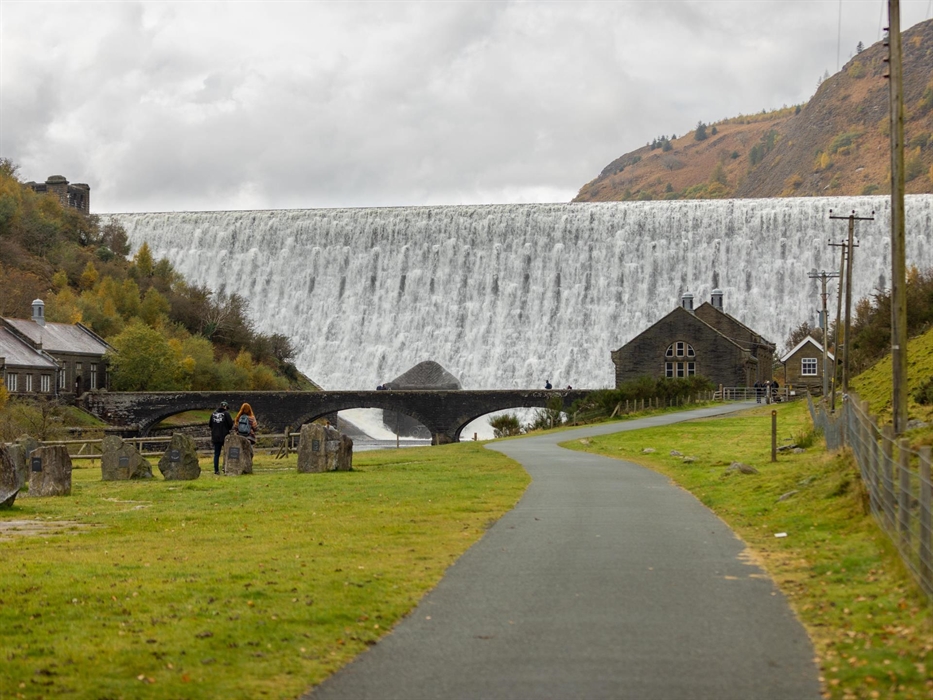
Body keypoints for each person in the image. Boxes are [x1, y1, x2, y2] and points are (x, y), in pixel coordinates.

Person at [209, 401, 234, 475]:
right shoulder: (226, 414)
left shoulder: (213, 414)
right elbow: (230, 424)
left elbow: (210, 425)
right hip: (224, 436)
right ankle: (225, 468)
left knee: (216, 454)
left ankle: (216, 470)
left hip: (215, 436)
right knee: (226, 453)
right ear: (225, 407)